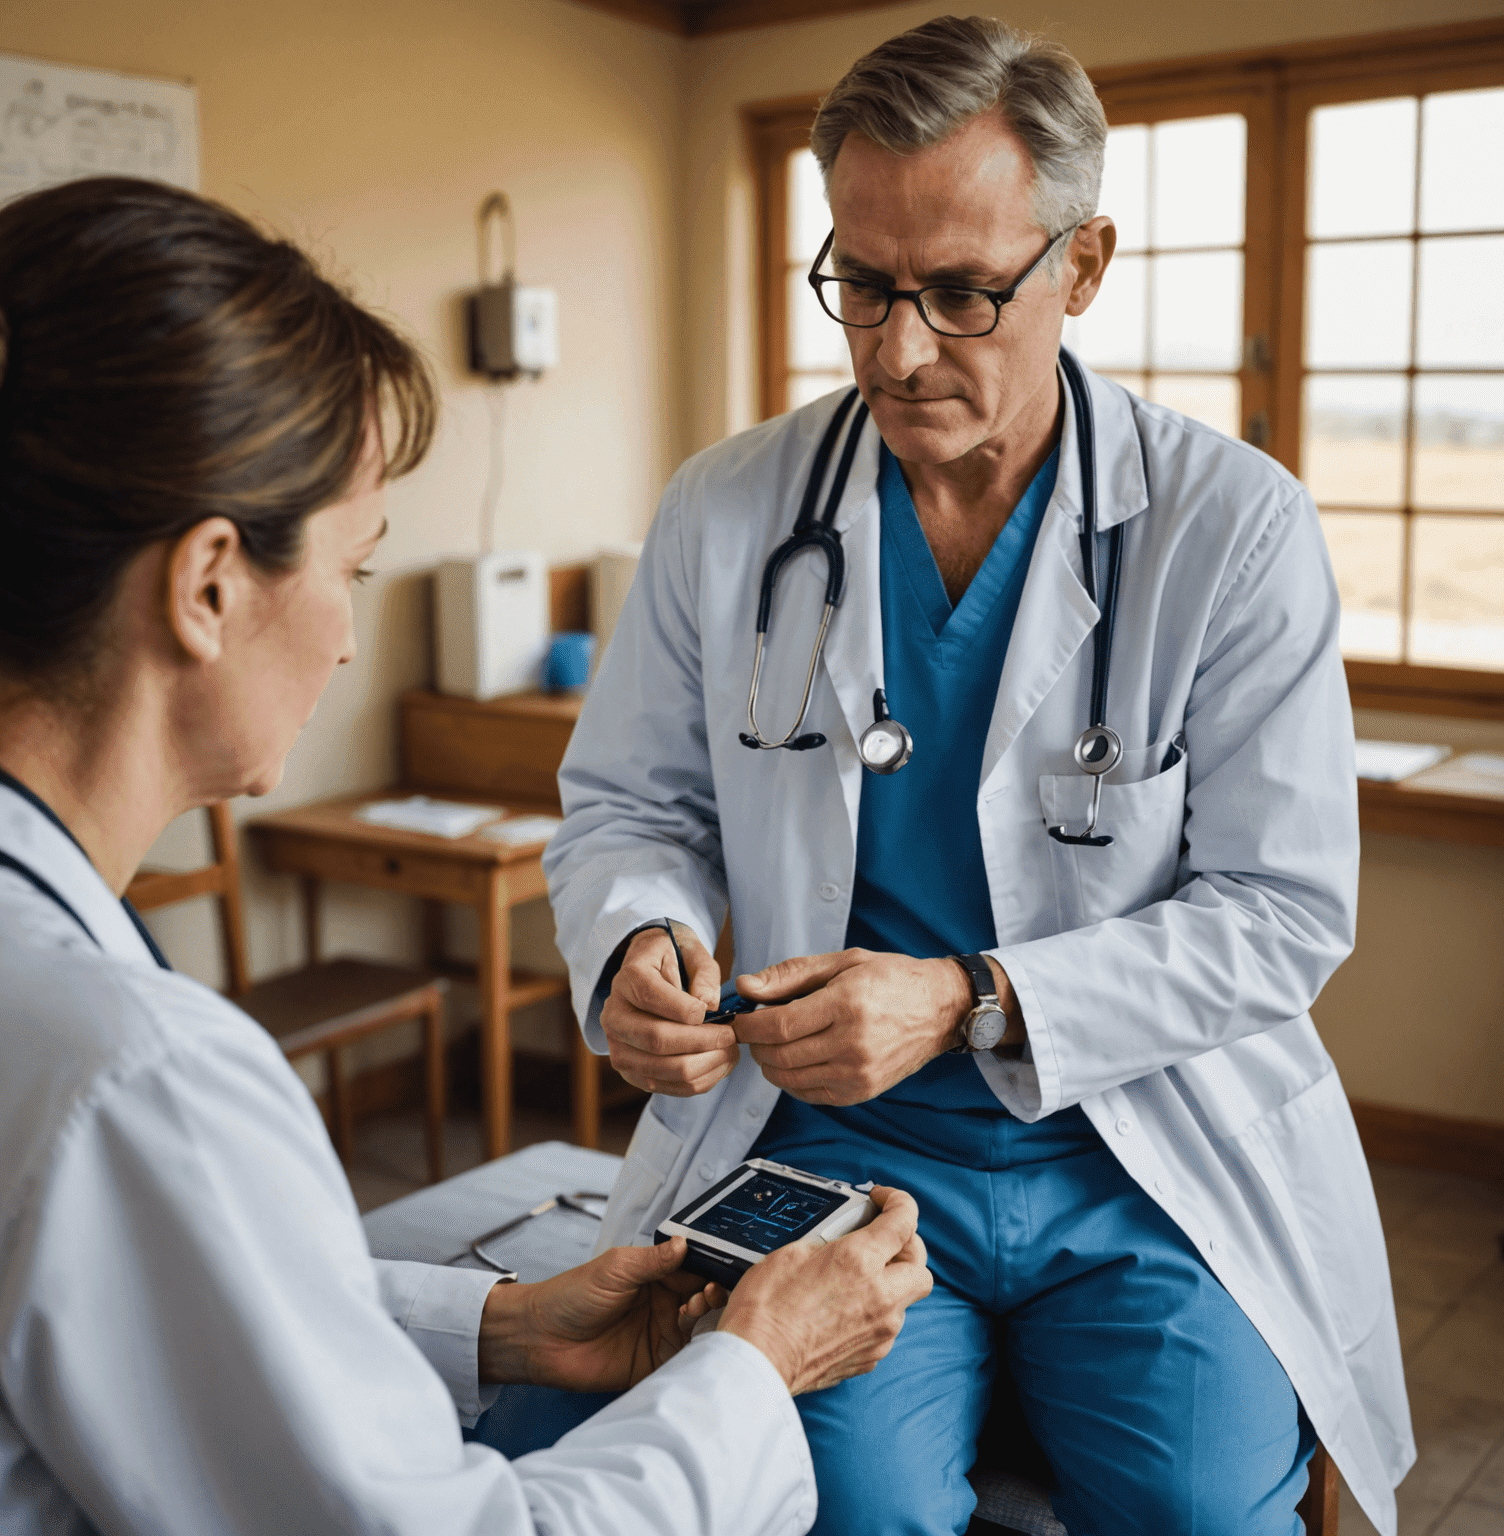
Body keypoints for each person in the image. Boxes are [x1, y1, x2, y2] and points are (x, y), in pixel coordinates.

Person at [544, 16, 1414, 1536]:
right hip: (836, 1150)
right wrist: (636, 941)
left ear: (1081, 267)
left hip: (1145, 1145)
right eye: (863, 286)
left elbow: (1282, 913)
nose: (897, 349)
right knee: (848, 1512)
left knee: (1206, 1517)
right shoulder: (730, 508)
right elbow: (633, 804)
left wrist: (967, 998)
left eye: (960, 292)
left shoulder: (1235, 528)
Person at [0, 174, 933, 1536]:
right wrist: (758, 1362)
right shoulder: (139, 1077)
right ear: (207, 587)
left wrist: (496, 1323)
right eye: (355, 572)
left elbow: (170, 1300)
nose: (347, 642)